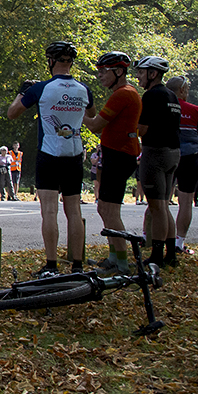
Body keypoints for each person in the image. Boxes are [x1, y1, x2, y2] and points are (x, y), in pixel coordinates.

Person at [6, 41, 96, 275]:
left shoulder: (42, 88)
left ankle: (52, 264)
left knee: (49, 210)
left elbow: (12, 113)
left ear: (51, 62)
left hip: (49, 153)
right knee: (74, 210)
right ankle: (77, 265)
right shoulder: (84, 89)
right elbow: (92, 115)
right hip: (74, 154)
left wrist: (22, 91)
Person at [83, 51, 141, 273]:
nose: (100, 76)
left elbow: (96, 125)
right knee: (104, 208)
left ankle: (122, 262)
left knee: (110, 211)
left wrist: (76, 112)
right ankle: (114, 257)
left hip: (119, 156)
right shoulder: (125, 93)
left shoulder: (123, 94)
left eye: (103, 71)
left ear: (119, 71)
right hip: (116, 155)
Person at [133, 55, 181, 269]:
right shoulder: (172, 96)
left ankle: (157, 255)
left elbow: (142, 129)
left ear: (153, 74)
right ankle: (171, 253)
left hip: (155, 153)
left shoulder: (151, 96)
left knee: (157, 207)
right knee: (164, 205)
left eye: (141, 73)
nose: (138, 77)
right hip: (173, 153)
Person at [167, 75, 198, 254]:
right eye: (187, 90)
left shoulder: (163, 108)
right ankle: (179, 242)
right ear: (182, 90)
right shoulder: (197, 110)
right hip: (190, 157)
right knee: (186, 202)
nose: (188, 93)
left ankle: (149, 237)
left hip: (167, 154)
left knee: (159, 200)